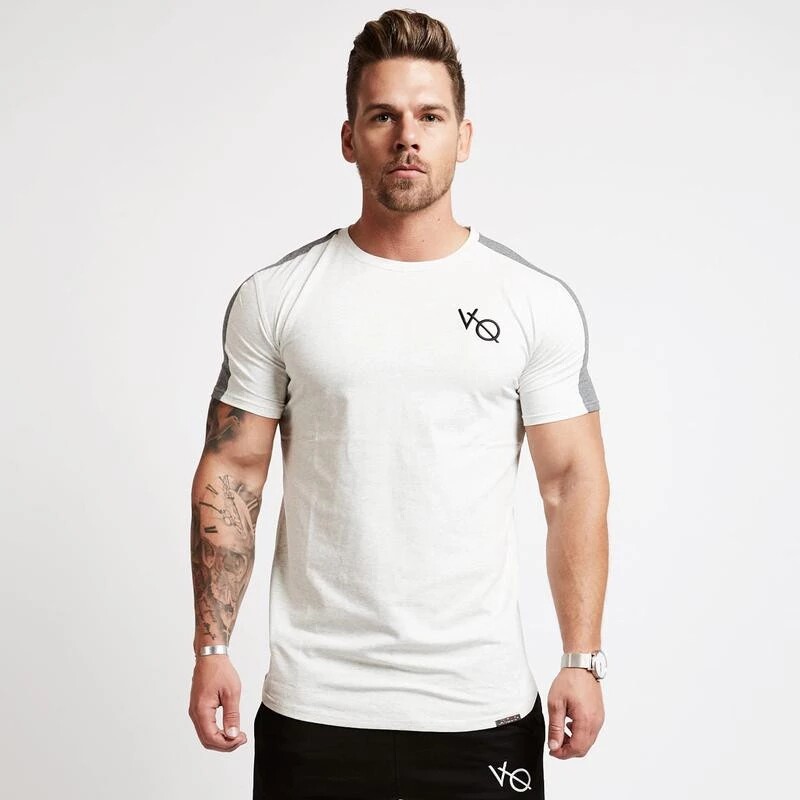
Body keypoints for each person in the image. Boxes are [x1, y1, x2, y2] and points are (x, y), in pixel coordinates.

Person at [187, 9, 609, 799]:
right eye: (383, 116)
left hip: (479, 708)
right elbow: (234, 471)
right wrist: (213, 647)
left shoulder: (531, 301)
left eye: (430, 117)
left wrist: (580, 658)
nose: (407, 137)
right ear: (350, 138)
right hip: (315, 707)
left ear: (464, 136)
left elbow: (571, 484)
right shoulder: (277, 297)